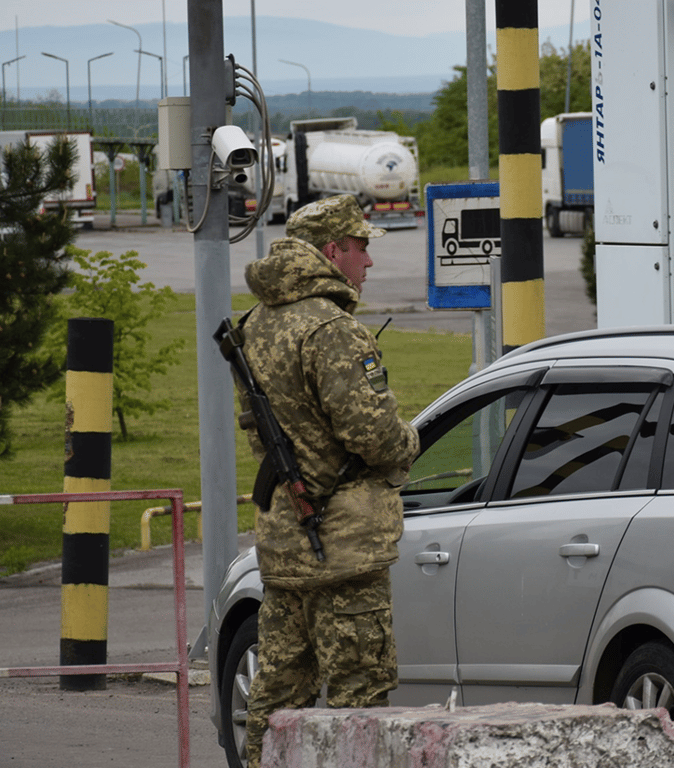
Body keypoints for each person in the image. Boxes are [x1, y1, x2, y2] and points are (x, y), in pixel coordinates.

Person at [237, 194, 419, 768]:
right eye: (362, 248)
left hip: (287, 543)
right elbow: (376, 437)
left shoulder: (256, 325)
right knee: (358, 702)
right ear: (333, 250)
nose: (369, 262)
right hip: (345, 549)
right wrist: (411, 441)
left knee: (277, 694)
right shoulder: (332, 329)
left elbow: (257, 435)